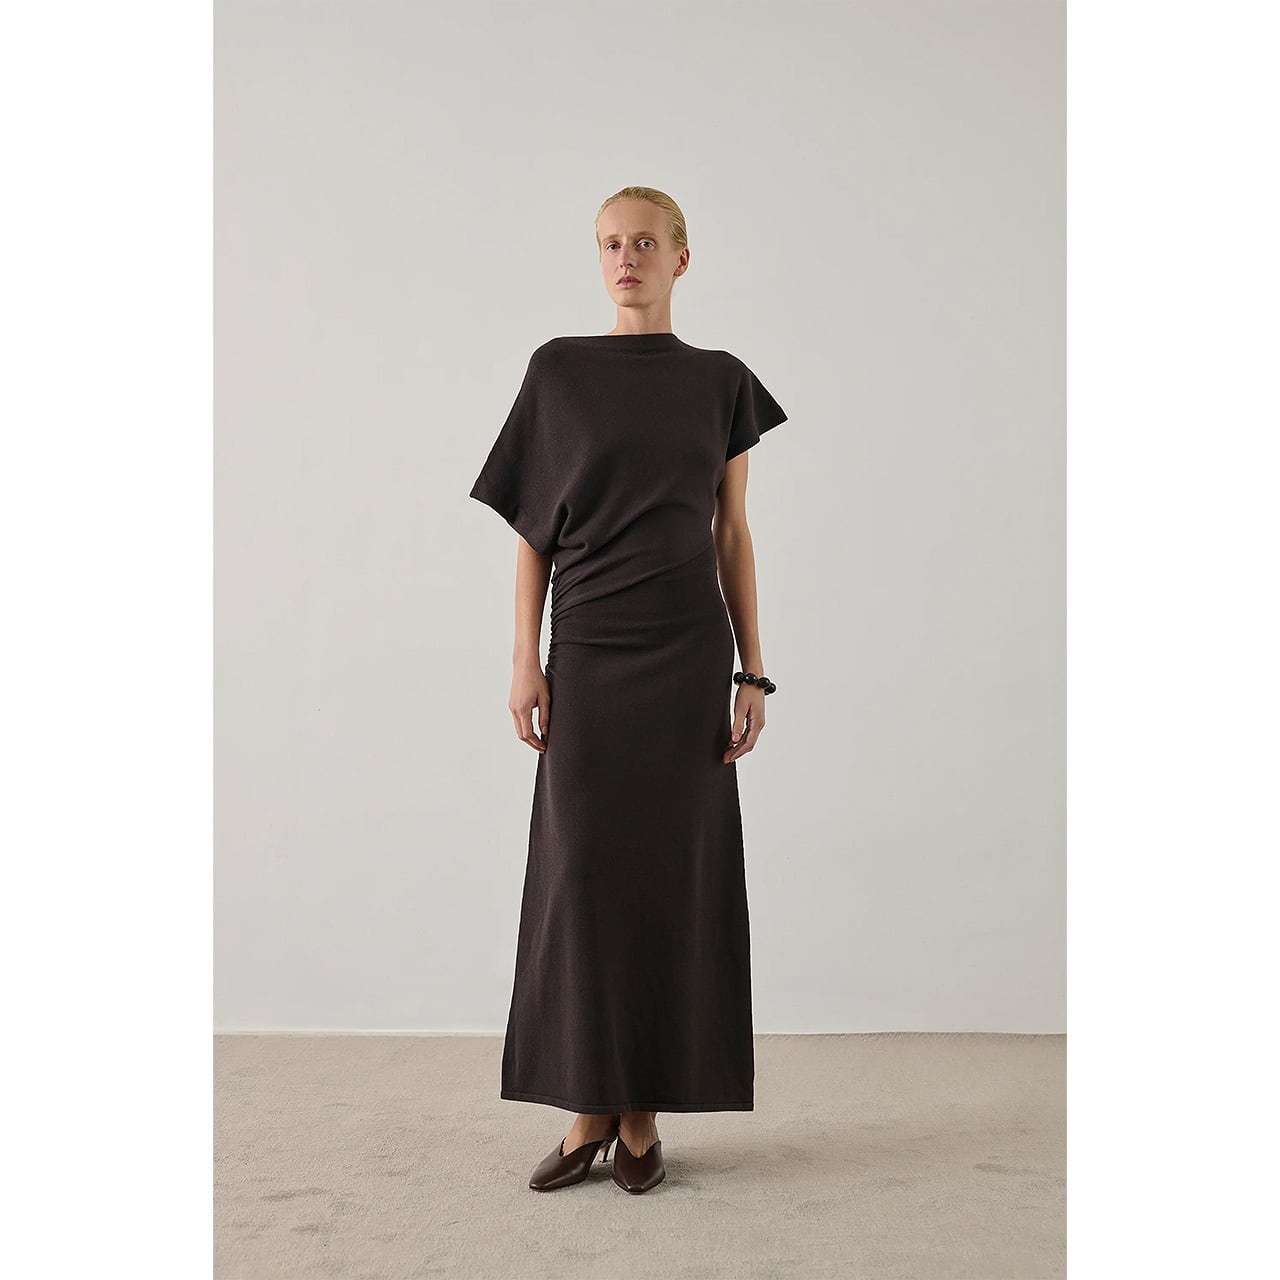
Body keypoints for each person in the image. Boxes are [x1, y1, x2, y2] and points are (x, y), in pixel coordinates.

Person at [469, 186, 788, 1193]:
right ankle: (588, 1104)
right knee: (583, 876)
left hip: (685, 655)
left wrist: (751, 666)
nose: (625, 257)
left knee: (667, 877)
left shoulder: (719, 381)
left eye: (645, 242)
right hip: (591, 651)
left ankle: (641, 1109)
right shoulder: (558, 371)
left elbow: (730, 531)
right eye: (610, 242)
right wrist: (525, 658)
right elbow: (533, 531)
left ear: (680, 258)